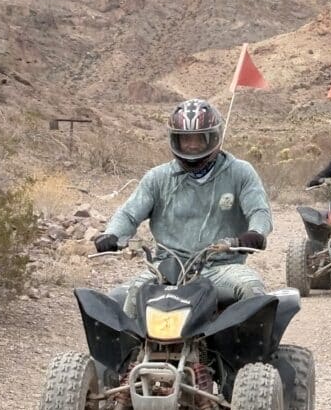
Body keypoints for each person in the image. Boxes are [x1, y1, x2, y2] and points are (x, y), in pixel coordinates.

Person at [93, 98, 272, 311]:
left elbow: (259, 211)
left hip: (221, 267)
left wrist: (255, 233)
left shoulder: (240, 172)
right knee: (120, 304)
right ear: (175, 140)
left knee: (252, 290)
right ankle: (133, 346)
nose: (192, 145)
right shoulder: (158, 178)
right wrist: (113, 235)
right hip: (165, 268)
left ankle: (248, 346)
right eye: (186, 139)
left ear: (213, 137)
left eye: (199, 139)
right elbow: (129, 215)